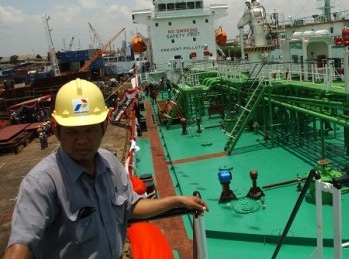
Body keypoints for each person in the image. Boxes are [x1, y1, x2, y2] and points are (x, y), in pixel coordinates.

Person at [4, 79, 208, 259]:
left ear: (105, 125)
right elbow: (21, 246)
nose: (82, 140)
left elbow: (131, 207)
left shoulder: (110, 164)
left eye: (90, 130)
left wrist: (177, 201)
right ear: (56, 130)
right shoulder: (42, 183)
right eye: (73, 132)